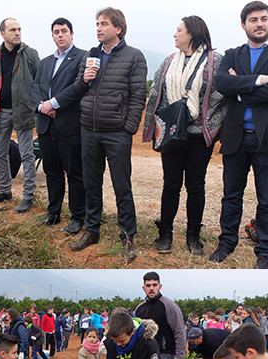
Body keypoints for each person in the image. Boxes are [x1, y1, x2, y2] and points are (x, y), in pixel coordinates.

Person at [209, 3, 268, 269]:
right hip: (236, 136)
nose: (259, 24)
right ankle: (226, 243)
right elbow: (222, 83)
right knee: (231, 196)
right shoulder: (232, 54)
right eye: (253, 20)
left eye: (263, 19)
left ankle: (265, 252)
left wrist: (240, 89)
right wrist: (260, 80)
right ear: (244, 25)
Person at [143, 16, 225, 254]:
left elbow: (222, 97)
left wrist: (210, 124)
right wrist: (158, 125)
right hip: (172, 133)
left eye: (179, 30)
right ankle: (165, 234)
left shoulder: (214, 61)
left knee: (196, 186)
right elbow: (157, 92)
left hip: (199, 135)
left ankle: (193, 237)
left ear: (192, 33)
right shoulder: (169, 61)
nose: (175, 34)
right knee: (170, 185)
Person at [71, 8, 147, 261]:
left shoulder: (134, 57)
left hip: (117, 133)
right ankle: (92, 231)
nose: (98, 28)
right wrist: (84, 79)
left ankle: (127, 237)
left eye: (104, 24)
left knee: (121, 187)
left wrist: (128, 129)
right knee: (91, 183)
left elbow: (138, 96)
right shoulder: (90, 56)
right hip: (89, 130)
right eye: (97, 24)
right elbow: (78, 89)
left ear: (118, 28)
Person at [31, 18, 86, 233]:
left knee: (74, 173)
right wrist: (41, 106)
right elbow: (35, 86)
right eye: (56, 32)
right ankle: (53, 212)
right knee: (51, 171)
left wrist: (54, 104)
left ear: (72, 33)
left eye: (64, 31)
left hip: (69, 124)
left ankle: (77, 216)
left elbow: (78, 87)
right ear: (52, 36)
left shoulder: (82, 57)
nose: (60, 35)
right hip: (46, 125)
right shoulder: (45, 62)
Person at [0, 18, 40, 212]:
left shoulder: (30, 54)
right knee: (0, 153)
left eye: (19, 29)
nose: (17, 33)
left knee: (26, 154)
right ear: (3, 34)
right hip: (0, 112)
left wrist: (34, 106)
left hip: (23, 111)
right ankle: (5, 190)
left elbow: (38, 82)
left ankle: (28, 196)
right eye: (12, 30)